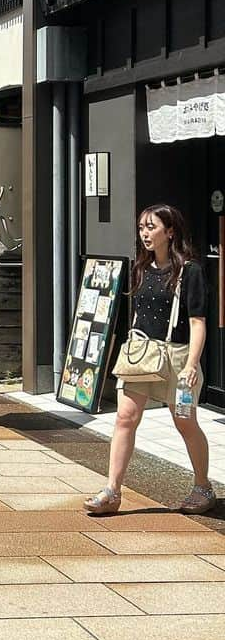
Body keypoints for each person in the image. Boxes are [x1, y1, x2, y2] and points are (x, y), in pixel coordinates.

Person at [86, 204, 216, 516]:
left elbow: (198, 322)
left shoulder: (190, 271)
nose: (145, 233)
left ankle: (203, 486)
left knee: (185, 421)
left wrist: (191, 366)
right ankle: (112, 490)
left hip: (177, 357)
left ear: (170, 232)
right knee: (124, 418)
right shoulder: (140, 268)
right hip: (141, 355)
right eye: (142, 227)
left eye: (152, 227)